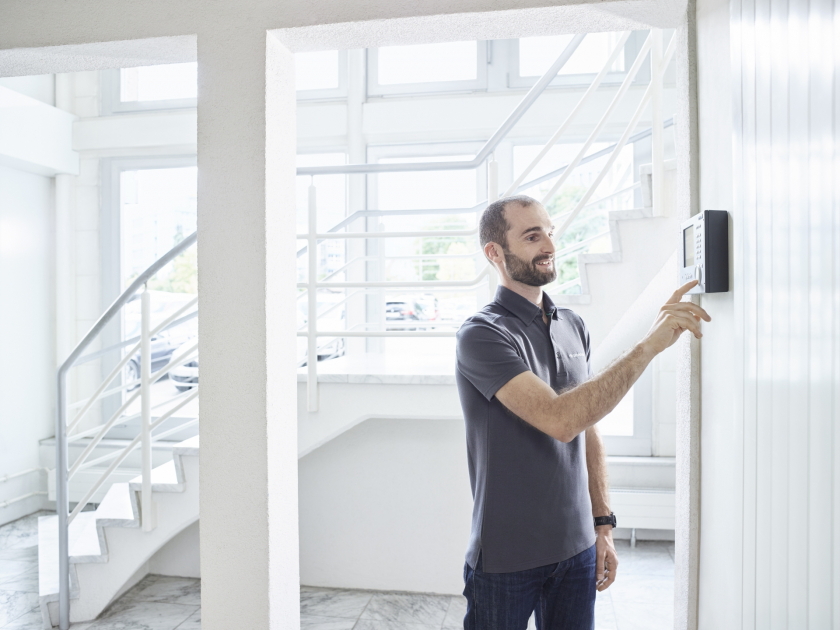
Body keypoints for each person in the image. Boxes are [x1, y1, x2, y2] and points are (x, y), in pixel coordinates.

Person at [455, 195, 710, 629]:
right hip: (505, 559)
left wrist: (602, 525)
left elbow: (587, 429)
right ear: (494, 253)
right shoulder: (482, 335)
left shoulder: (572, 324)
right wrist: (649, 345)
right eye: (532, 236)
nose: (549, 246)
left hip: (576, 552)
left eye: (550, 233)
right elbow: (561, 420)